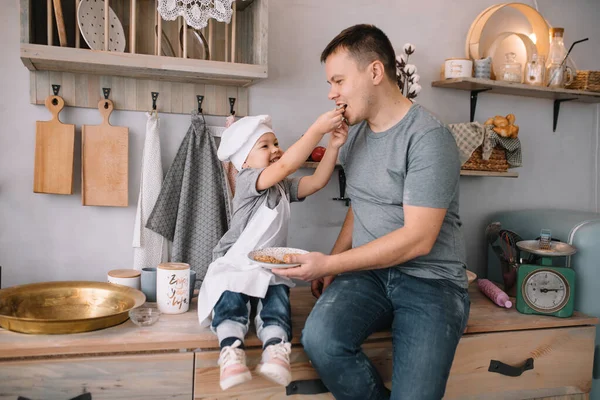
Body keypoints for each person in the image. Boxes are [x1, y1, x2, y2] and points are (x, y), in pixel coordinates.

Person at [274, 24, 470, 400]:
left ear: (375, 72)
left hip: (432, 283)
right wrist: (334, 259)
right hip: (369, 276)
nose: (332, 94)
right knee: (320, 340)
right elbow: (360, 208)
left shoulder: (429, 138)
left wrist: (328, 266)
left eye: (338, 81)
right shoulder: (357, 135)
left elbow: (418, 239)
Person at [197, 111, 348, 391]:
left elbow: (316, 182)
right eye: (265, 145)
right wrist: (316, 128)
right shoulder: (247, 181)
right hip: (235, 262)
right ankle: (231, 354)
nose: (276, 149)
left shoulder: (281, 187)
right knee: (230, 301)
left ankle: (276, 351)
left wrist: (334, 147)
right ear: (244, 161)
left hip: (268, 265)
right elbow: (286, 166)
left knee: (277, 302)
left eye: (275, 143)